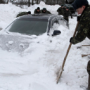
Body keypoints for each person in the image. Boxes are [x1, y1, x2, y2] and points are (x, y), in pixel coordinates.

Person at [70, 0, 90, 89]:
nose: (77, 13)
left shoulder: (87, 15)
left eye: (78, 10)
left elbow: (82, 35)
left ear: (83, 7)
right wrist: (81, 19)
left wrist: (73, 40)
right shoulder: (87, 13)